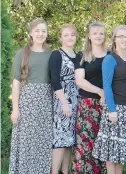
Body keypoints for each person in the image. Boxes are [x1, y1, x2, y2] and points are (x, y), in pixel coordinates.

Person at [9, 18, 53, 174]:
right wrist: (15, 109)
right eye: (37, 31)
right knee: (26, 141)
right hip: (27, 103)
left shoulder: (52, 54)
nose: (40, 34)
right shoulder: (22, 54)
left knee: (42, 141)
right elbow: (16, 82)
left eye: (43, 31)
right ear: (30, 33)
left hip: (46, 103)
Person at [92, 25, 126, 174]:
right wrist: (111, 110)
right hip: (115, 108)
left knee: (121, 152)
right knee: (111, 152)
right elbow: (107, 85)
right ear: (114, 39)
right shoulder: (110, 59)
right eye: (121, 36)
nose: (124, 39)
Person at [72, 22, 107, 174]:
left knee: (104, 142)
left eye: (101, 33)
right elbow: (80, 81)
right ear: (89, 36)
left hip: (107, 105)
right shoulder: (82, 56)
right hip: (87, 105)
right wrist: (100, 91)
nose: (98, 36)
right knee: (86, 143)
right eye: (95, 33)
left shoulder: (111, 54)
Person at [49, 24, 79, 174]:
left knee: (69, 142)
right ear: (60, 37)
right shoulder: (57, 54)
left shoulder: (79, 55)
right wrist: (64, 103)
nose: (69, 37)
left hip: (77, 102)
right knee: (60, 141)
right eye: (66, 35)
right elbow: (55, 80)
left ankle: (65, 172)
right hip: (62, 102)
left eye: (72, 34)